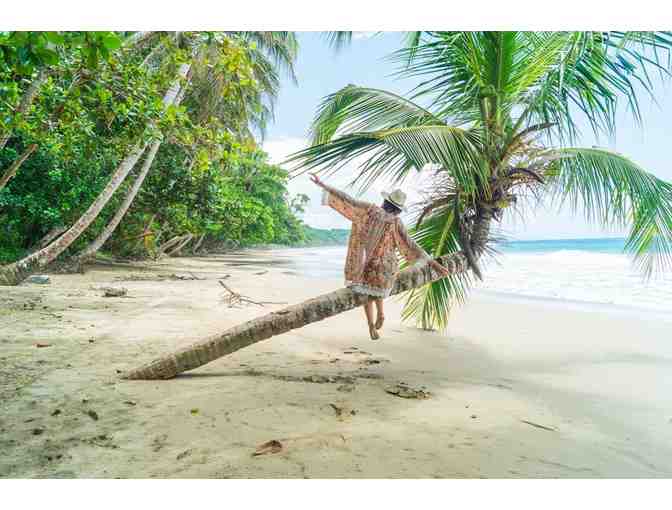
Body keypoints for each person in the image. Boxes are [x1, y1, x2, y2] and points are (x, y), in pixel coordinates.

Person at [310, 173, 450, 340]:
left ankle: (371, 326)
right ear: (398, 209)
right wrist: (435, 264)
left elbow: (349, 200)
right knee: (377, 288)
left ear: (385, 202)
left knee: (366, 290)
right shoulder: (396, 222)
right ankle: (381, 313)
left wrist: (323, 185)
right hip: (386, 268)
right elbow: (412, 245)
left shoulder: (370, 210)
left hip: (368, 264)